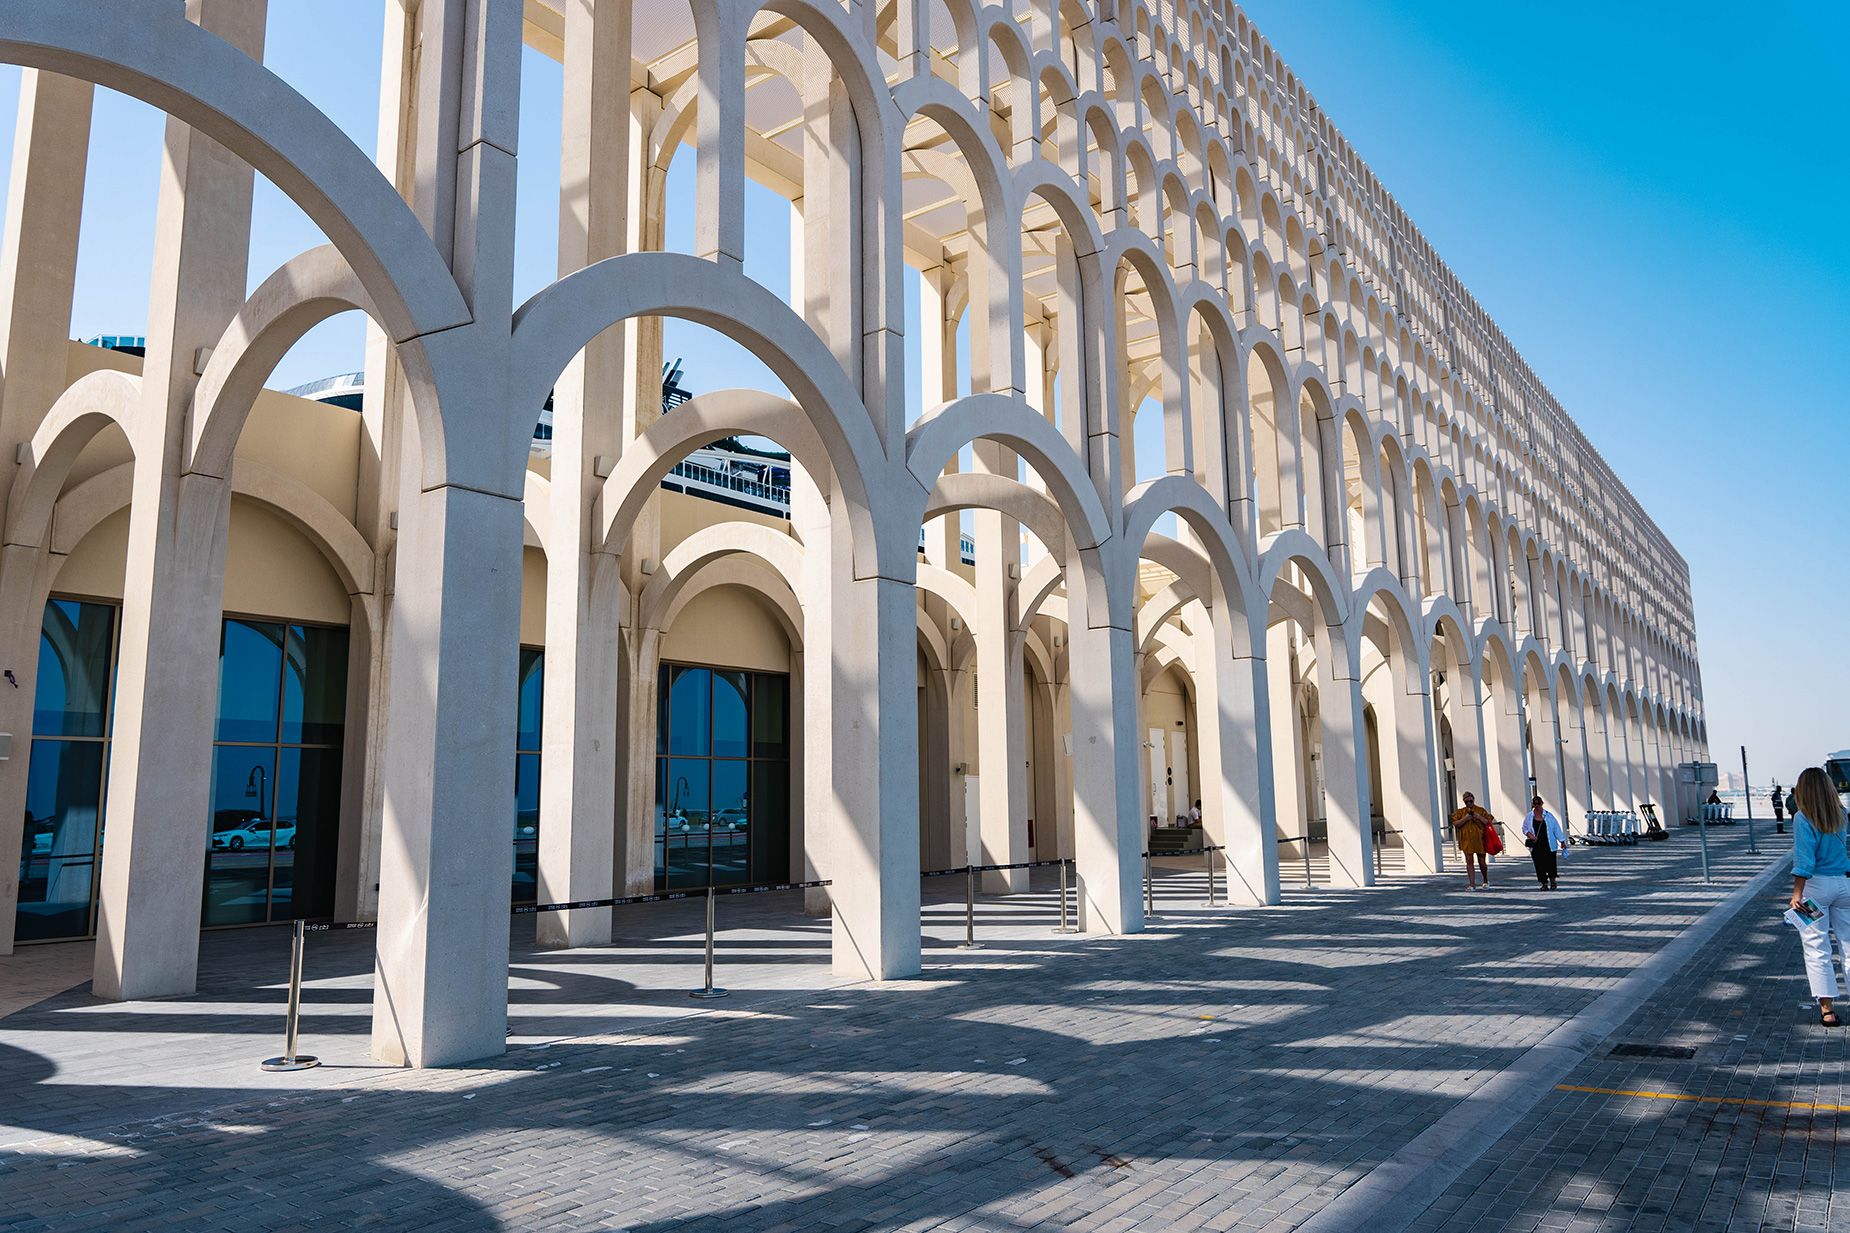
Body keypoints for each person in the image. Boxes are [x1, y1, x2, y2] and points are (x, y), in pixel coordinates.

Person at [1789, 767, 1850, 1028]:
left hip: (1815, 889)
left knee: (1816, 948)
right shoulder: (1842, 815)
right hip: (1845, 885)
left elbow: (1804, 859)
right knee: (1849, 946)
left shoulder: (1802, 818)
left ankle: (1828, 1011)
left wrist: (1796, 894)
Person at [1450, 792, 1495, 891]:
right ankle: (1472, 884)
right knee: (1469, 861)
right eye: (1466, 802)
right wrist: (1466, 818)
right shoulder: (1460, 812)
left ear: (1473, 800)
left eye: (1471, 801)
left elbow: (1488, 822)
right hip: (1466, 840)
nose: (1469, 803)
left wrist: (1478, 817)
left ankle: (1485, 880)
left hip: (1480, 840)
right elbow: (1456, 824)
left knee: (1482, 862)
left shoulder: (1480, 810)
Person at [1521, 795, 1568, 890]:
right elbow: (1524, 828)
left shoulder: (1548, 815)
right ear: (1533, 805)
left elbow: (1556, 828)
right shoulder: (1529, 816)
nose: (1537, 805)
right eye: (1535, 804)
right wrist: (1530, 835)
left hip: (1549, 844)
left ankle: (1553, 881)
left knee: (1551, 863)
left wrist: (1562, 841)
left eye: (1539, 803)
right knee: (1539, 865)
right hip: (1536, 845)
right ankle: (1544, 883)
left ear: (1542, 804)